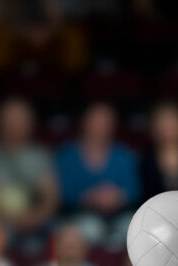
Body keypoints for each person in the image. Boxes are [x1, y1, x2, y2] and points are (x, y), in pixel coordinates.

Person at [0, 97, 58, 246]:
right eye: (9, 119)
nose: (13, 125)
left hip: (36, 221)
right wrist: (7, 218)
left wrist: (35, 217)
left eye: (19, 120)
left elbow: (50, 198)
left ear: (30, 123)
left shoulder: (40, 156)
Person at [55, 102, 139, 245]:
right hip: (80, 216)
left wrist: (119, 196)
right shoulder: (68, 154)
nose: (100, 126)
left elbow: (135, 188)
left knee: (132, 229)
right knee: (90, 229)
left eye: (106, 122)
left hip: (119, 215)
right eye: (96, 121)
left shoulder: (123, 154)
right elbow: (62, 191)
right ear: (84, 122)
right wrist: (89, 198)